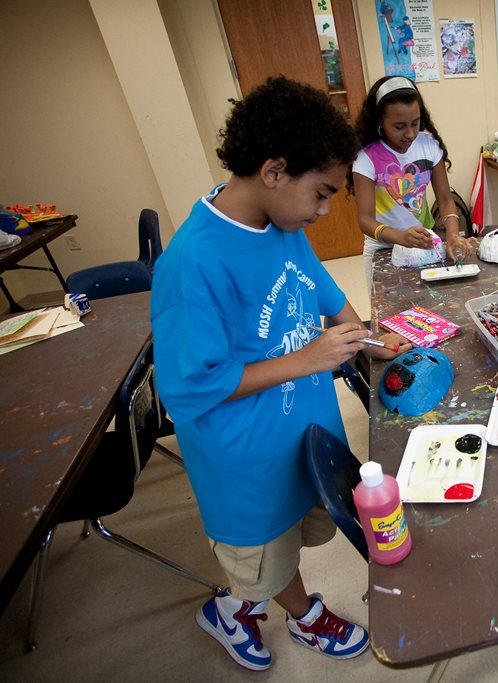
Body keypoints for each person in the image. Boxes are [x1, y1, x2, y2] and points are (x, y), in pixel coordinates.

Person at [151, 76, 411, 672]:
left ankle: (245, 602)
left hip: (300, 431)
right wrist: (310, 359)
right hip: (245, 460)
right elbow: (189, 389)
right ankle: (290, 613)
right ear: (272, 172)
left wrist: (365, 338)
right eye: (320, 194)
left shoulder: (278, 226)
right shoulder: (193, 264)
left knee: (295, 532)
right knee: (266, 552)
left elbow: (315, 285)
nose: (323, 212)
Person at [353, 75, 474, 293]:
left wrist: (453, 235)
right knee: (390, 315)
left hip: (423, 244)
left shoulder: (428, 145)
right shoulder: (367, 157)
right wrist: (400, 236)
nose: (409, 133)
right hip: (382, 248)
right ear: (380, 120)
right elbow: (365, 221)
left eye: (415, 123)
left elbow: (445, 200)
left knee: (429, 308)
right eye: (399, 126)